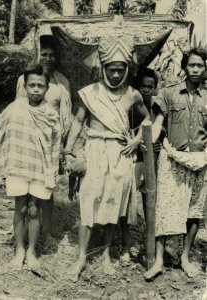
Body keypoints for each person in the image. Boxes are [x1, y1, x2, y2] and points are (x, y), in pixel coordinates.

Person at [64, 35, 150, 282]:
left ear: (126, 69)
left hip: (120, 153)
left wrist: (136, 140)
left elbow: (147, 119)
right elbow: (79, 121)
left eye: (120, 70)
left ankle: (105, 254)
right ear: (103, 68)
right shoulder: (90, 92)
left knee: (114, 203)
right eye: (111, 69)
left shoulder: (133, 94)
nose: (115, 74)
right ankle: (81, 257)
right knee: (89, 201)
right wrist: (69, 149)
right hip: (95, 150)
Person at [144, 48, 207, 280]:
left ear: (205, 68)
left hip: (200, 162)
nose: (196, 69)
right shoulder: (169, 93)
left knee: (194, 213)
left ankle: (185, 257)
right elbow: (158, 123)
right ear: (184, 67)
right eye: (192, 65)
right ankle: (159, 261)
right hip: (172, 160)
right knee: (164, 210)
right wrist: (148, 139)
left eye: (200, 65)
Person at [0, 64, 61, 271]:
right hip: (18, 165)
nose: (35, 89)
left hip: (40, 167)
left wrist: (52, 170)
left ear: (47, 88)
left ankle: (32, 251)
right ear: (24, 86)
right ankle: (19, 250)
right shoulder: (13, 109)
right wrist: (2, 163)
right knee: (20, 208)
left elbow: (55, 144)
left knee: (34, 209)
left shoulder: (50, 114)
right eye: (31, 85)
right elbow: (3, 136)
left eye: (40, 86)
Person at [16, 35, 72, 243]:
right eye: (44, 54)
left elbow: (66, 118)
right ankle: (23, 234)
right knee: (24, 194)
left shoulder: (62, 84)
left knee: (46, 191)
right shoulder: (25, 81)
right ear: (38, 55)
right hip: (28, 144)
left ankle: (46, 231)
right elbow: (18, 109)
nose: (48, 58)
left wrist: (65, 146)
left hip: (50, 146)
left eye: (52, 55)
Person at [120, 67, 162, 263]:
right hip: (131, 159)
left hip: (151, 162)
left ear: (155, 89)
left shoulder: (158, 108)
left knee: (150, 204)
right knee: (127, 203)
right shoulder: (130, 107)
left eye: (150, 87)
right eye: (143, 86)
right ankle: (126, 246)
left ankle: (149, 247)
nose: (146, 90)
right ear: (137, 88)